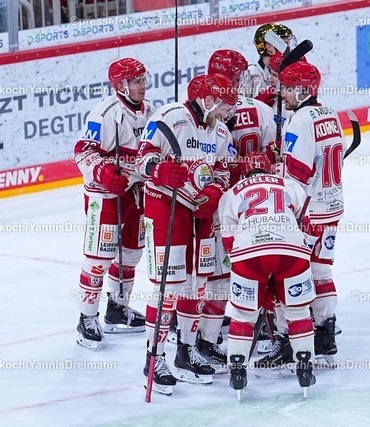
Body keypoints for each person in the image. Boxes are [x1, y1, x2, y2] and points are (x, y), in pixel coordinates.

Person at [136, 74, 237, 395]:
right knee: (167, 287)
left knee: (198, 284)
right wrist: (158, 170)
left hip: (201, 212)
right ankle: (154, 358)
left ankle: (186, 351)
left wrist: (215, 192)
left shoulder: (221, 131)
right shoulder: (170, 117)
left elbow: (223, 170)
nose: (227, 111)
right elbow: (142, 158)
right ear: (206, 99)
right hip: (166, 206)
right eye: (223, 104)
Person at [193, 49, 278, 368]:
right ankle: (269, 326)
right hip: (255, 206)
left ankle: (199, 333)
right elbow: (275, 157)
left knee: (212, 275)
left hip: (214, 205)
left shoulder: (202, 111)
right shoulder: (260, 109)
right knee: (259, 268)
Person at [218, 151, 316, 397]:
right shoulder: (289, 185)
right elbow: (306, 225)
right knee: (298, 312)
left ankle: (238, 372)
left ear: (244, 173)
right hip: (291, 250)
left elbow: (229, 242)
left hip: (249, 252)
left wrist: (258, 282)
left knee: (243, 315)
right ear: (270, 169)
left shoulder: (231, 193)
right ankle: (305, 368)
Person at [265, 61, 344, 364]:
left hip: (307, 213)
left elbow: (297, 175)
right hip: (331, 208)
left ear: (303, 90)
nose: (282, 93)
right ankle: (325, 334)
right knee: (321, 271)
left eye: (287, 88)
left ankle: (290, 338)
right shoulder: (330, 114)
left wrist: (276, 169)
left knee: (286, 273)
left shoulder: (299, 120)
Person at [73, 58, 153, 350]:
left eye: (143, 79)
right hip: (105, 196)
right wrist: (105, 173)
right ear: (121, 86)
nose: (142, 86)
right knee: (99, 259)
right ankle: (86, 318)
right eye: (136, 81)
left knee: (131, 254)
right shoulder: (105, 113)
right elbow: (83, 151)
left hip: (136, 193)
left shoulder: (150, 111)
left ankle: (117, 308)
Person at [244, 23, 295, 98]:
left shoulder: (288, 71)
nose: (289, 48)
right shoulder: (249, 75)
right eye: (285, 43)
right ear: (269, 47)